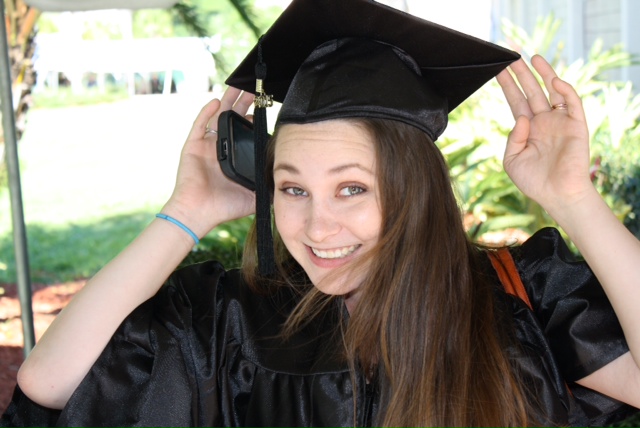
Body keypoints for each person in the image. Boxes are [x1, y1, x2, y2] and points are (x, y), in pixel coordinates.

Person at [3, 0, 640, 426]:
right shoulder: (234, 319)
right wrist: (186, 211)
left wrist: (573, 200)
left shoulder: (521, 297)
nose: (316, 228)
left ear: (414, 192)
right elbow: (50, 384)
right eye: (292, 188)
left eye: (352, 189)